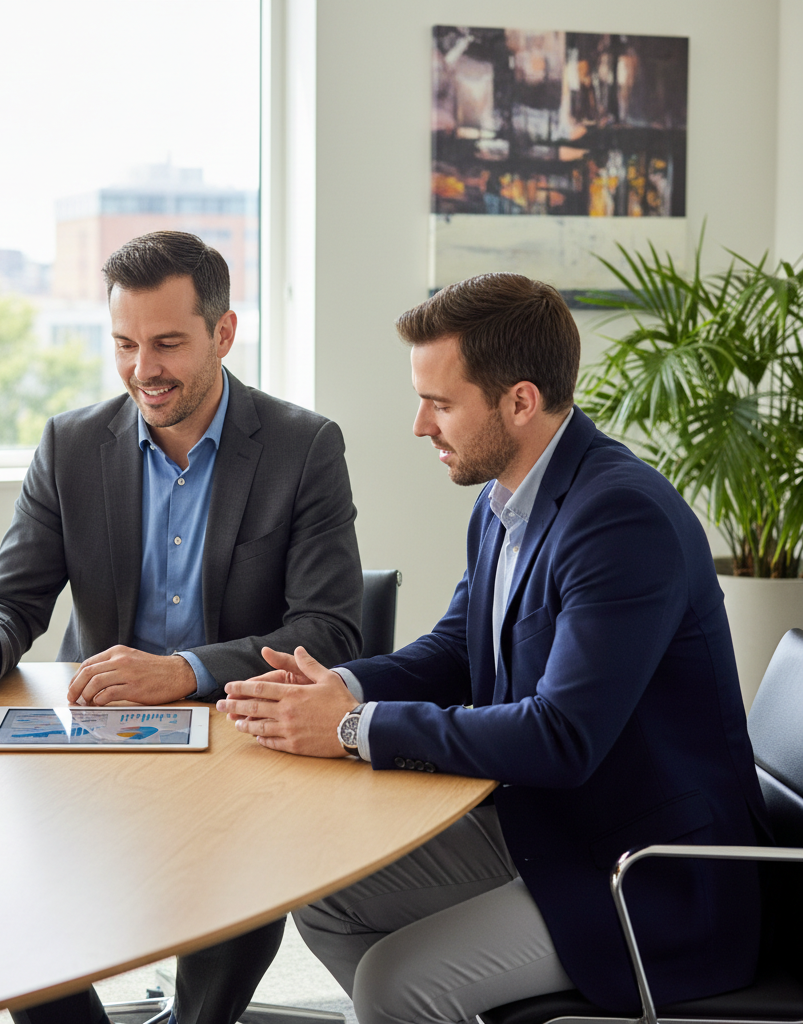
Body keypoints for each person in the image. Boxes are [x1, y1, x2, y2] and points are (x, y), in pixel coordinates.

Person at [218, 273, 769, 1024]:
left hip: (641, 873)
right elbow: (458, 650)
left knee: (394, 984)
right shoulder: (503, 498)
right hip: (543, 821)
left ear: (520, 401)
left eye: (441, 404)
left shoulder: (620, 518)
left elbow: (561, 736)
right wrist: (340, 688)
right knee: (326, 894)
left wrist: (350, 728)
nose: (420, 425)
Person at [0, 231, 364, 1024]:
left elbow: (328, 631)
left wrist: (184, 671)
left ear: (224, 333)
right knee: (6, 892)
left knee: (242, 879)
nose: (142, 368)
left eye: (167, 344)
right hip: (96, 740)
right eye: (124, 344)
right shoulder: (72, 444)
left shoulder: (303, 448)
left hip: (238, 741)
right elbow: (14, 601)